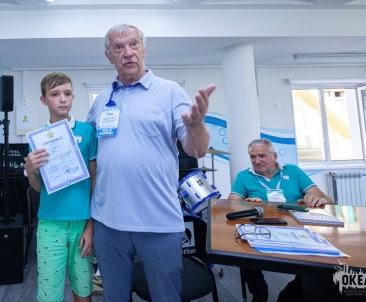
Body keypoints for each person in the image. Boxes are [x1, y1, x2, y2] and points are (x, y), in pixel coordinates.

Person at [86, 23, 216, 301]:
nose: (128, 52)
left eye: (134, 44)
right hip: (108, 222)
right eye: (118, 47)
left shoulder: (170, 92)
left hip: (158, 221)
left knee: (165, 296)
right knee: (114, 296)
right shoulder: (102, 100)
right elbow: (90, 154)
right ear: (109, 56)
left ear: (144, 49)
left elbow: (197, 150)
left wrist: (196, 126)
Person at [228, 138, 334, 302]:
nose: (257, 161)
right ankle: (259, 291)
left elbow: (328, 201)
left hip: (296, 227)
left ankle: (295, 289)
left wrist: (316, 199)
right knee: (243, 249)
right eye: (253, 157)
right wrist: (244, 204)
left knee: (317, 260)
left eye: (262, 156)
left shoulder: (293, 172)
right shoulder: (243, 176)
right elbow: (230, 206)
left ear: (275, 156)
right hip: (261, 228)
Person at [24, 72, 98, 302]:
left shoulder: (87, 131)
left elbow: (95, 181)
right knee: (49, 293)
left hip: (82, 223)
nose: (62, 99)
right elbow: (38, 187)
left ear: (73, 97)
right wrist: (30, 170)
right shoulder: (38, 140)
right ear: (44, 100)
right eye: (55, 94)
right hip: (50, 223)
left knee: (83, 289)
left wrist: (91, 225)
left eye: (67, 93)